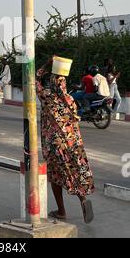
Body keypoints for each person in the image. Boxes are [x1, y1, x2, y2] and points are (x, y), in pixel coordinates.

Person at [36, 58, 95, 224]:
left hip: (54, 144)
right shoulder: (70, 100)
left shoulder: (47, 97)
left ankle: (61, 211)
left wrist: (47, 64)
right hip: (73, 144)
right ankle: (82, 199)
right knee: (74, 171)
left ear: (53, 83)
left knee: (55, 176)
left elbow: (33, 80)